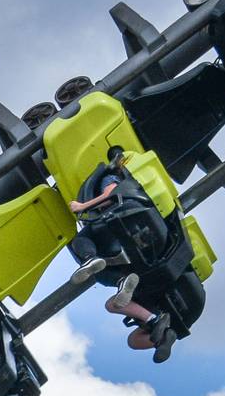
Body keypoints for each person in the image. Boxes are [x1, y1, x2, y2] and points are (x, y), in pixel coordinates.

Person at [69, 145, 164, 344]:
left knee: (81, 240)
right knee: (108, 293)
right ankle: (156, 324)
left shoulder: (112, 177)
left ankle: (90, 259)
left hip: (117, 220)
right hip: (134, 229)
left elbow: (110, 194)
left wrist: (82, 206)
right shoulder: (145, 184)